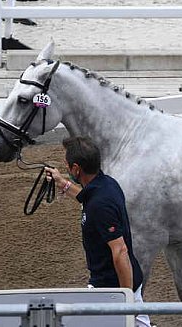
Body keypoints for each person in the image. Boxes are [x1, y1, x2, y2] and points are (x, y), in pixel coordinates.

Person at [46, 136, 152, 327]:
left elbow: (120, 251)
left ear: (76, 169)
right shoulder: (106, 184)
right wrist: (62, 182)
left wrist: (124, 301)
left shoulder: (100, 204)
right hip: (121, 284)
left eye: (68, 166)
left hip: (109, 290)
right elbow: (87, 198)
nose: (67, 169)